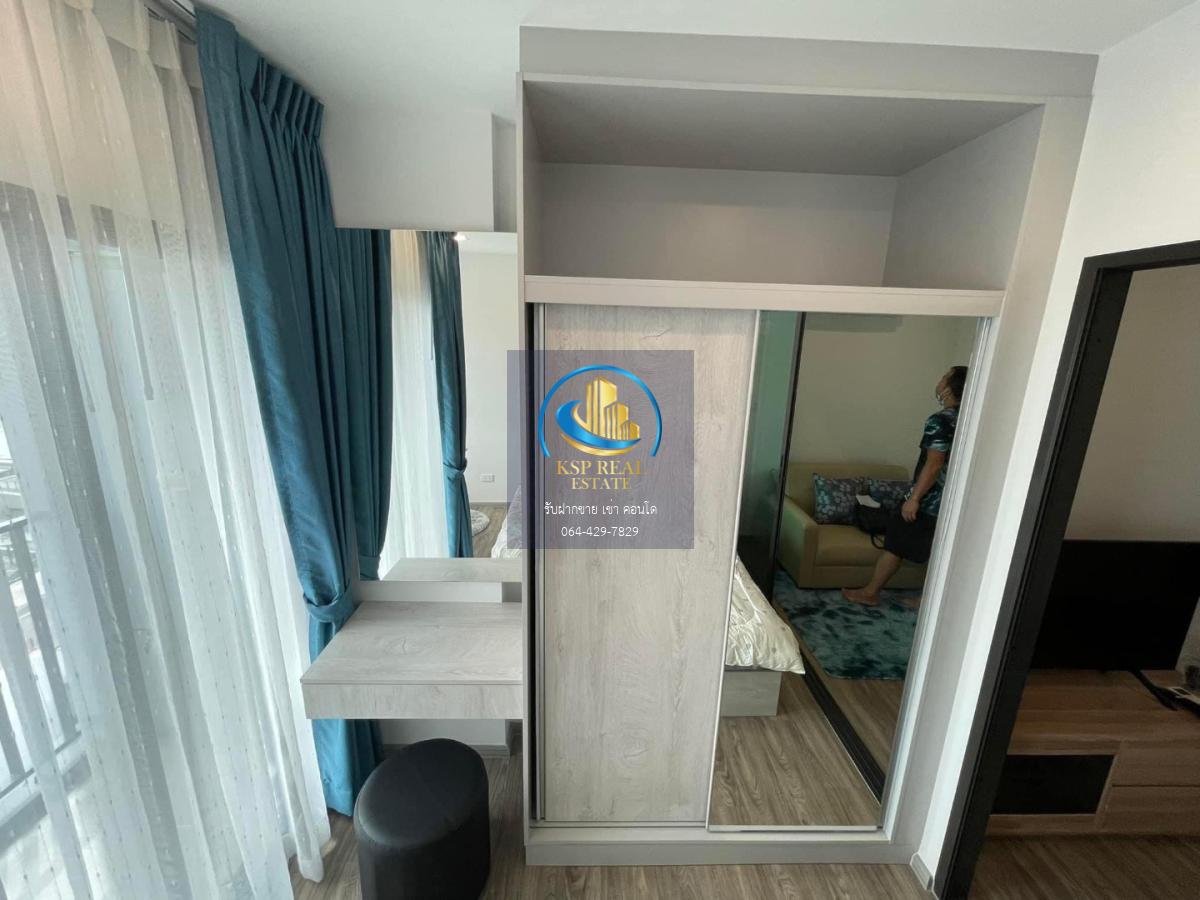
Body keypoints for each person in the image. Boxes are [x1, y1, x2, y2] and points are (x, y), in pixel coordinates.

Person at [842, 365, 967, 608]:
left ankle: (870, 593)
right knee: (940, 551)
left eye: (945, 377)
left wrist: (915, 498)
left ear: (950, 387)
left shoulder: (940, 421)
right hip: (954, 500)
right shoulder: (970, 419)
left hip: (930, 501)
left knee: (895, 544)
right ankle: (927, 600)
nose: (940, 380)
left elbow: (934, 465)